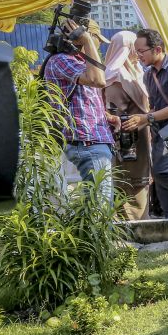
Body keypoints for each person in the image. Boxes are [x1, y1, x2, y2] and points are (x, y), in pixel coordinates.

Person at [42, 17, 118, 202]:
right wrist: (87, 41)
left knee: (97, 207)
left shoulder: (79, 62)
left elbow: (81, 97)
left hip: (92, 142)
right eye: (95, 38)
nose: (97, 44)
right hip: (87, 143)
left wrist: (105, 116)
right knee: (100, 210)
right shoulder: (61, 60)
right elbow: (98, 81)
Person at [122, 29, 168, 219]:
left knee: (162, 172)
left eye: (141, 51)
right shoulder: (148, 75)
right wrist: (144, 121)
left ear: (157, 49)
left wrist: (146, 119)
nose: (137, 55)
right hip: (161, 131)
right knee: (159, 176)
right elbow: (155, 106)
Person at [103, 30, 152, 219]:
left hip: (140, 135)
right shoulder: (115, 77)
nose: (138, 52)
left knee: (140, 179)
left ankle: (141, 220)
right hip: (126, 140)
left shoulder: (135, 70)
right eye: (135, 47)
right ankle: (130, 225)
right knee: (129, 181)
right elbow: (113, 110)